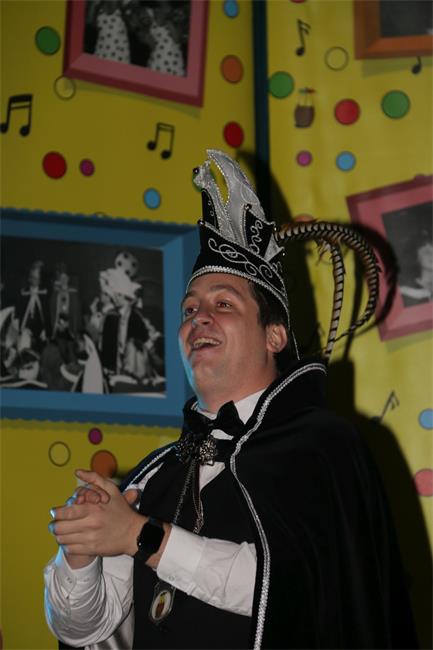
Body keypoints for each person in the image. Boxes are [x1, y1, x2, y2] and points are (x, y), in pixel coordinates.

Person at [44, 150, 418, 649]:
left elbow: (297, 587)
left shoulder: (325, 446)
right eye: (189, 309)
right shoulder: (154, 475)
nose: (198, 317)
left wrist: (141, 537)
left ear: (274, 336)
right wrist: (82, 552)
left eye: (224, 303)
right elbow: (86, 630)